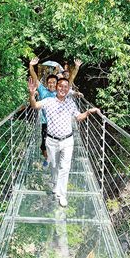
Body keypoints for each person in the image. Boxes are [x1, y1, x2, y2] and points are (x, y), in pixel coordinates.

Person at [28, 76, 100, 207]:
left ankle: (62, 194)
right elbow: (34, 105)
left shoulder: (70, 103)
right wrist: (32, 95)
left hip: (67, 140)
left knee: (65, 168)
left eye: (66, 87)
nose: (63, 89)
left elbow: (78, 117)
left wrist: (88, 112)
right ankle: (55, 185)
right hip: (51, 141)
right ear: (56, 88)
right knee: (54, 166)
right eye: (60, 86)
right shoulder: (48, 101)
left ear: (68, 89)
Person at [29, 57, 57, 167]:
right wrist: (31, 66)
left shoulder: (60, 92)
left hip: (57, 124)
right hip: (45, 122)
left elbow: (70, 81)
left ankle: (54, 159)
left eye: (53, 83)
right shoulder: (42, 90)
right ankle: (47, 158)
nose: (51, 84)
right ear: (46, 83)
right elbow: (35, 78)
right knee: (43, 146)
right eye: (49, 82)